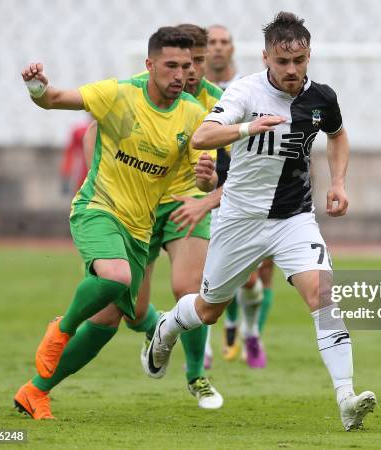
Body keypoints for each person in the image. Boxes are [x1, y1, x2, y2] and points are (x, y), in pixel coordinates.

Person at [146, 12, 377, 431]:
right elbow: (202, 136)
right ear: (266, 56)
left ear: (309, 57)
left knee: (323, 298)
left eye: (300, 61)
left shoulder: (322, 98)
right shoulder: (245, 92)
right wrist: (249, 126)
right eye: (283, 62)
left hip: (294, 218)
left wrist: (338, 182)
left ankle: (346, 397)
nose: (292, 70)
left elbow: (338, 135)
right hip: (239, 220)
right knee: (208, 310)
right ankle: (167, 326)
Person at [13, 26, 217, 420]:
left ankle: (35, 391)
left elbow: (202, 176)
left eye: (186, 66)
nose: (180, 75)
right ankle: (62, 328)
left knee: (111, 319)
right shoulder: (120, 94)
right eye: (170, 65)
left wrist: (207, 179)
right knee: (116, 277)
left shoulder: (194, 114)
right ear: (150, 65)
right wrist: (38, 88)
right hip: (97, 209)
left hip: (139, 231)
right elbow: (54, 99)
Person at [81, 23, 226, 410]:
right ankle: (159, 330)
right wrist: (100, 193)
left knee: (188, 289)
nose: (191, 70)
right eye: (185, 62)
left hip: (188, 202)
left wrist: (208, 191)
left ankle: (197, 375)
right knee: (135, 311)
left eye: (198, 62)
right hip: (138, 207)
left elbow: (229, 166)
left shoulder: (218, 103)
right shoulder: (139, 92)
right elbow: (92, 135)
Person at [204, 25, 275, 367]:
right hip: (199, 189)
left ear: (232, 48)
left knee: (250, 278)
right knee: (201, 273)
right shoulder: (192, 89)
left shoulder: (248, 89)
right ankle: (203, 351)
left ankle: (249, 332)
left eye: (223, 42)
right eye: (211, 43)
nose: (218, 48)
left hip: (244, 192)